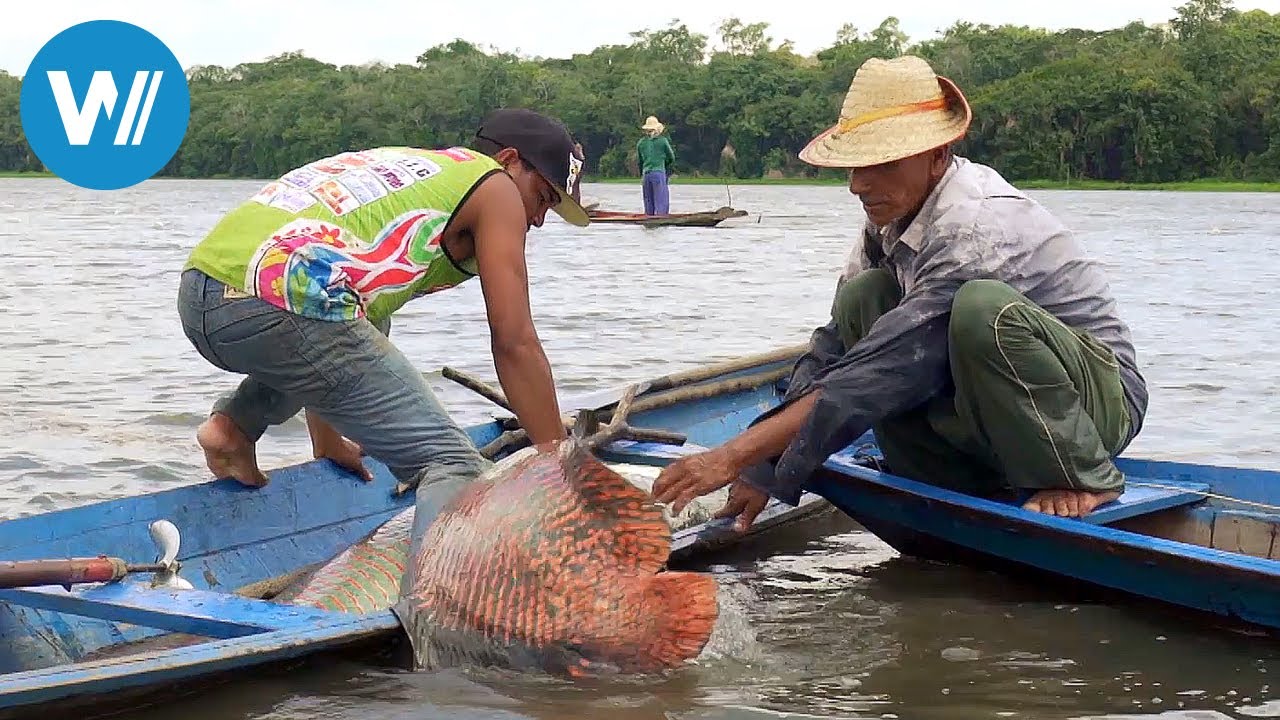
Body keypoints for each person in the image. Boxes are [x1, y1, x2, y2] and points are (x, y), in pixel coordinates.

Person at [651, 55, 1148, 528]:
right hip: (995, 410)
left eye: (882, 165)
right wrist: (763, 471)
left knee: (979, 311)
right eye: (854, 168)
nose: (858, 186)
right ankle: (944, 476)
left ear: (937, 157)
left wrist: (734, 452)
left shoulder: (973, 222)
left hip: (1096, 406)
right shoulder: (888, 223)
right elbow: (833, 349)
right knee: (862, 297)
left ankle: (1081, 475)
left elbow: (886, 364)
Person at [177, 107, 589, 493]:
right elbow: (514, 339)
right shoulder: (496, 187)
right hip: (279, 308)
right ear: (510, 159)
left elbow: (342, 315)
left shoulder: (422, 168)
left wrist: (327, 440)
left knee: (373, 321)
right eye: (543, 198)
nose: (536, 219)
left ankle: (234, 427)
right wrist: (556, 471)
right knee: (454, 466)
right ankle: (441, 572)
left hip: (203, 294)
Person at [637, 115, 676, 215]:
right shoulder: (662, 141)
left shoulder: (641, 143)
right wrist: (664, 165)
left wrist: (643, 172)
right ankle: (661, 218)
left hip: (646, 174)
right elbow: (671, 157)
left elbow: (640, 162)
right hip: (658, 173)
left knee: (648, 201)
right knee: (661, 200)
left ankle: (649, 218)